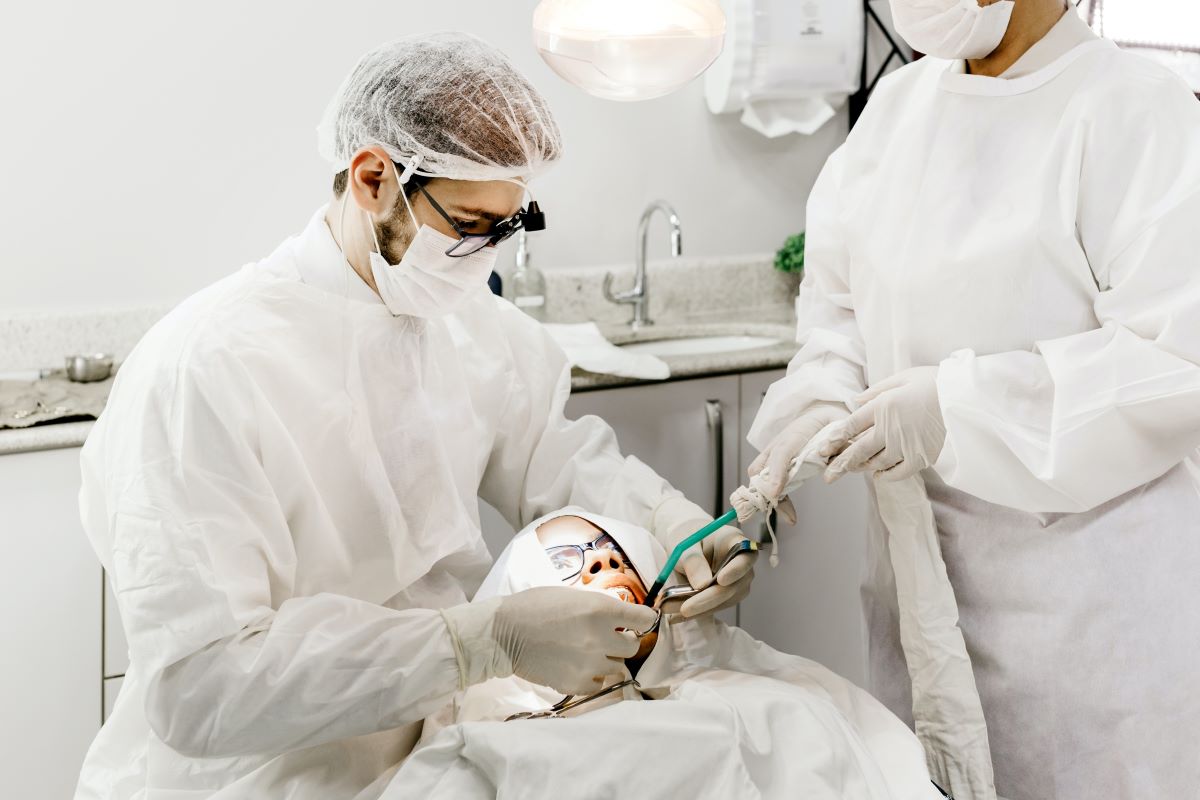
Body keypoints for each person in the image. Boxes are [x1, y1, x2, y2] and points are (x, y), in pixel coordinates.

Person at [74, 33, 754, 800]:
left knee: (746, 737)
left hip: (444, 725)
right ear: (373, 179)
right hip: (270, 761)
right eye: (469, 225)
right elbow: (202, 686)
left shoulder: (464, 321)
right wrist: (479, 641)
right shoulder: (205, 367)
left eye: (509, 225)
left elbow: (556, 459)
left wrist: (673, 525)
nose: (486, 259)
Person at [745, 1, 1200, 798]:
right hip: (918, 590)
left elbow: (1174, 359)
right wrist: (817, 402)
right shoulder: (897, 110)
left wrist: (959, 408)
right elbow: (840, 309)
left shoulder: (1135, 110)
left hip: (1084, 620)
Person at [390, 508, 941, 800]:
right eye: (567, 562)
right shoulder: (489, 741)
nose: (602, 565)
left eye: (613, 556)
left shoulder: (768, 696)